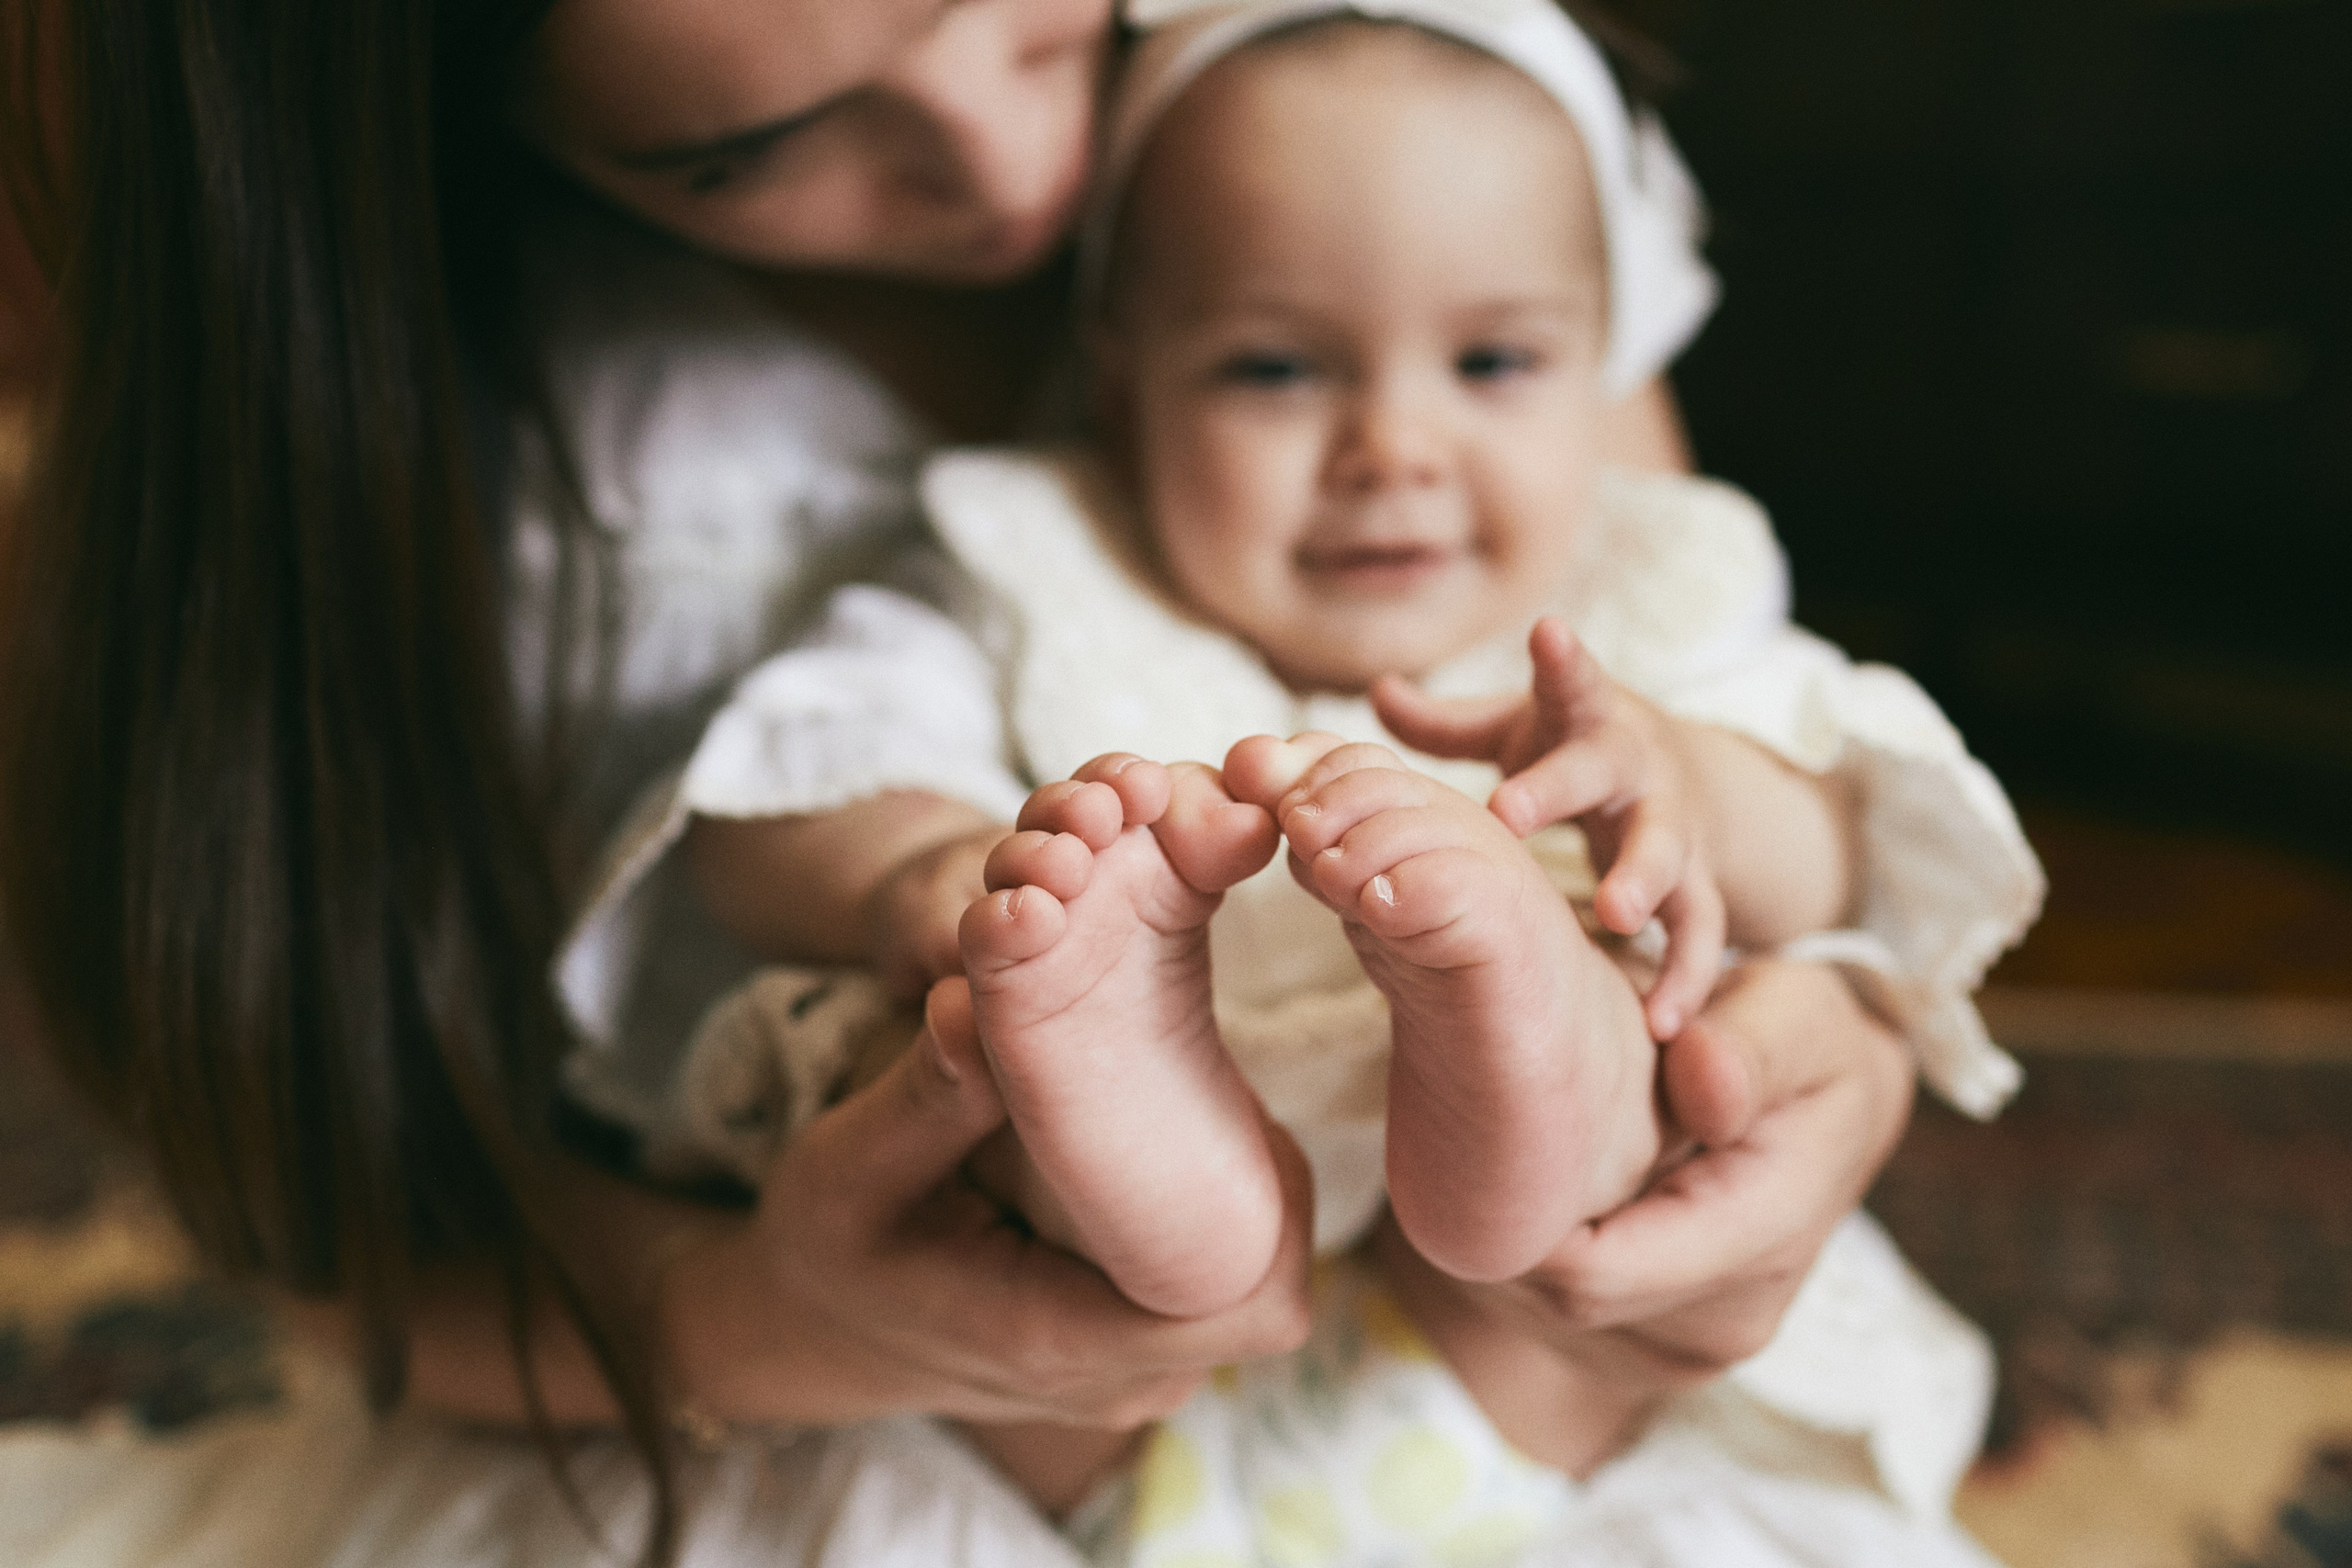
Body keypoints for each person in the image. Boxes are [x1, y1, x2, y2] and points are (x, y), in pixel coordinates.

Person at [0, 0, 2037, 1564]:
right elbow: (793, 788)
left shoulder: (1421, 107)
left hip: (1503, 1290)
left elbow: (1749, 723)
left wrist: (1816, 1001)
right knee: (971, 1085)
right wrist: (933, 923)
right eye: (752, 143)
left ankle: (1525, 1062)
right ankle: (1142, 1160)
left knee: (1567, 1177)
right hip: (913, 1348)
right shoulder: (979, 542)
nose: (1004, 153)